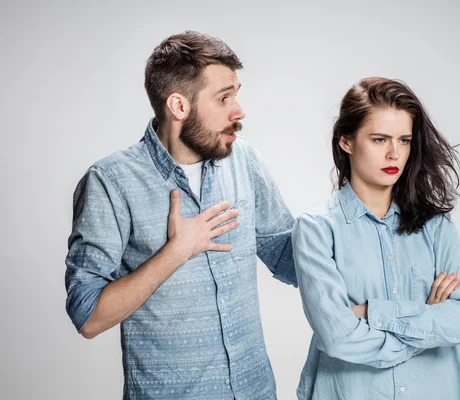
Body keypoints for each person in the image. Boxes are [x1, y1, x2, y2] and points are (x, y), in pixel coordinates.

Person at [64, 31, 296, 400]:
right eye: (223, 98)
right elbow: (88, 316)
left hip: (256, 391)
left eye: (236, 93)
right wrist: (177, 252)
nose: (239, 111)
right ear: (178, 105)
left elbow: (287, 255)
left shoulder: (244, 160)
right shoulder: (111, 182)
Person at [292, 77, 460, 399]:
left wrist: (370, 312)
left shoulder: (435, 225)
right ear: (346, 142)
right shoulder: (316, 230)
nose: (394, 154)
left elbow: (459, 322)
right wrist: (425, 322)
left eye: (404, 140)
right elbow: (338, 337)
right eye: (379, 139)